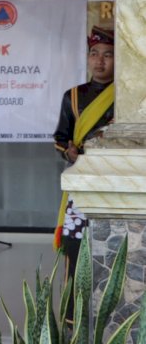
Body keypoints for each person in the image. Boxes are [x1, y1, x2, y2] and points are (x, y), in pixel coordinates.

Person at [53, 26, 115, 323]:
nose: (100, 61)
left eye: (107, 55)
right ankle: (72, 316)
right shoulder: (73, 97)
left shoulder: (128, 95)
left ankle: (112, 312)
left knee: (113, 246)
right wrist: (69, 152)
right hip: (81, 186)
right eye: (94, 54)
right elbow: (59, 138)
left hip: (116, 183)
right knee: (75, 249)